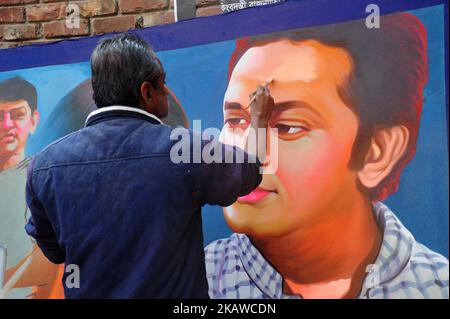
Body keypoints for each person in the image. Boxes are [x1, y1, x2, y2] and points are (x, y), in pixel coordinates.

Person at [205, 13, 449, 299]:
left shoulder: (436, 286)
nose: (246, 153)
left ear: (378, 152)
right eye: (235, 121)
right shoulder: (200, 279)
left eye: (287, 127)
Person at [24, 33, 269, 298]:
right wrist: (259, 120)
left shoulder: (44, 167)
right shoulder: (185, 150)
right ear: (146, 92)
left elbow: (53, 249)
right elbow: (249, 170)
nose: (166, 91)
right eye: (162, 84)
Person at [0, 76, 60, 298]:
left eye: (17, 115)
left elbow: (51, 261)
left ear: (33, 121)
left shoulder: (41, 179)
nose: (7, 125)